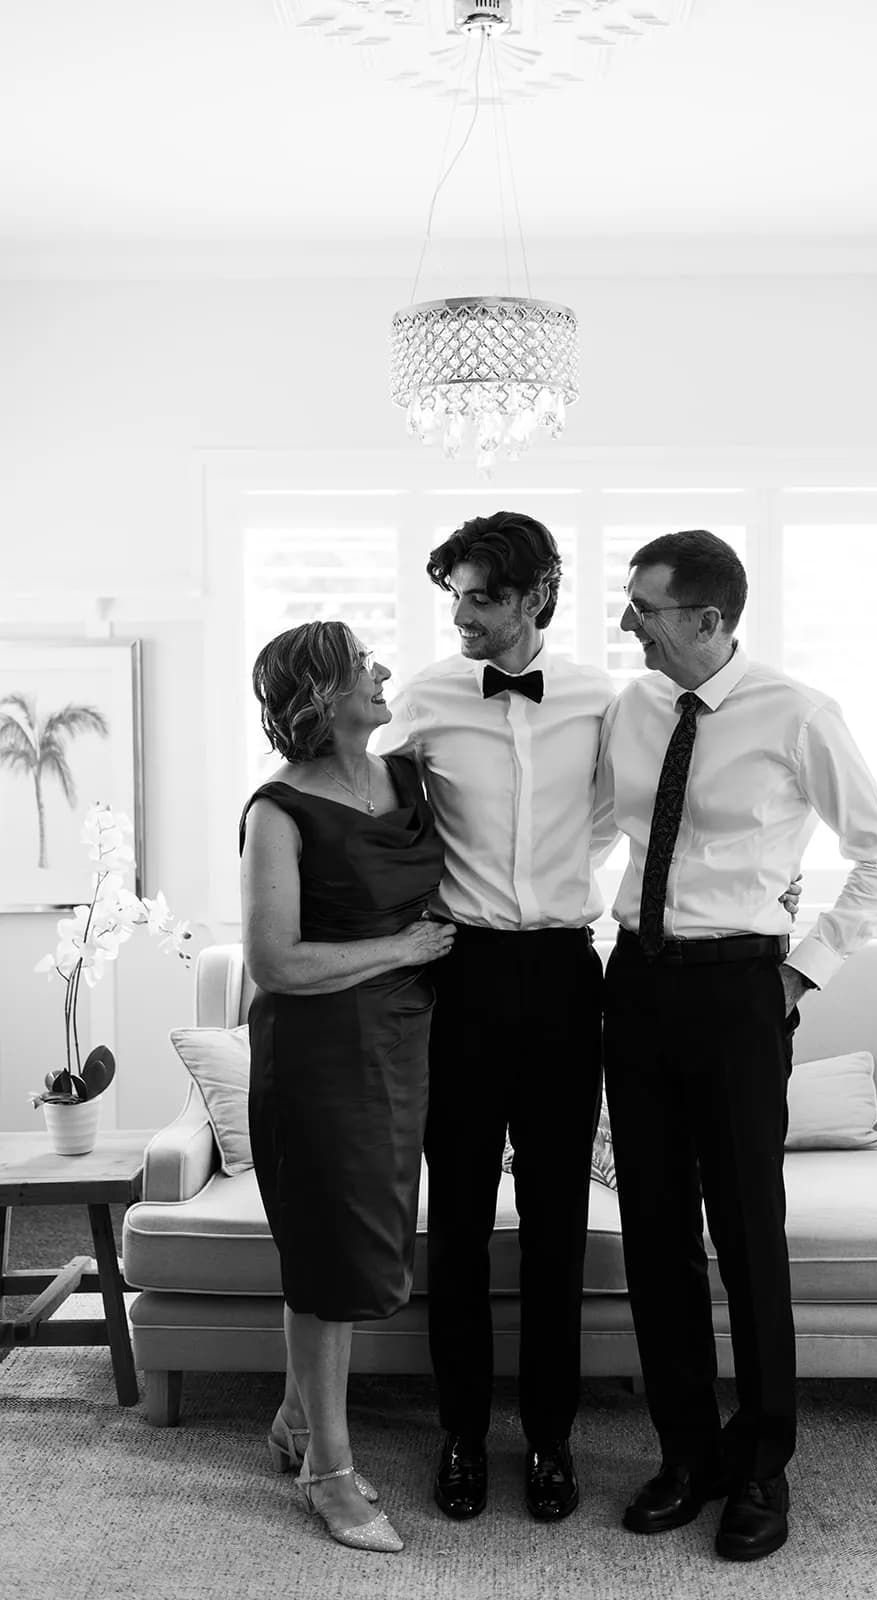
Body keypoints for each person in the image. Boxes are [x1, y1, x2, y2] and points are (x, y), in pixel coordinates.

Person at [376, 510, 803, 1523]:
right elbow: (374, 814)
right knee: (464, 1227)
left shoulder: (608, 701)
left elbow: (652, 818)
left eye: (483, 596)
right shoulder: (425, 697)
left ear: (534, 598)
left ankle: (555, 1442)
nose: (464, 616)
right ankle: (464, 1437)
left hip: (571, 979)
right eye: (455, 598)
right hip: (464, 980)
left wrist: (773, 913)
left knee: (560, 1226)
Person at [596, 529, 877, 1562]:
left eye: (643, 606)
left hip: (740, 990)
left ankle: (763, 1463)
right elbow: (596, 829)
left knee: (745, 1229)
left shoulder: (798, 713)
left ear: (708, 618)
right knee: (653, 1231)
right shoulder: (630, 707)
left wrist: (799, 969)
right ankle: (688, 1453)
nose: (626, 621)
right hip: (635, 984)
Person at [239, 620, 454, 1554]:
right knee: (329, 1258)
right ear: (320, 697)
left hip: (404, 1044)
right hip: (318, 1050)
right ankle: (329, 1475)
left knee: (361, 1243)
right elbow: (276, 962)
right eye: (361, 664)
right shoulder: (276, 812)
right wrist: (401, 948)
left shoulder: (405, 774)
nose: (381, 671)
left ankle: (294, 1420)